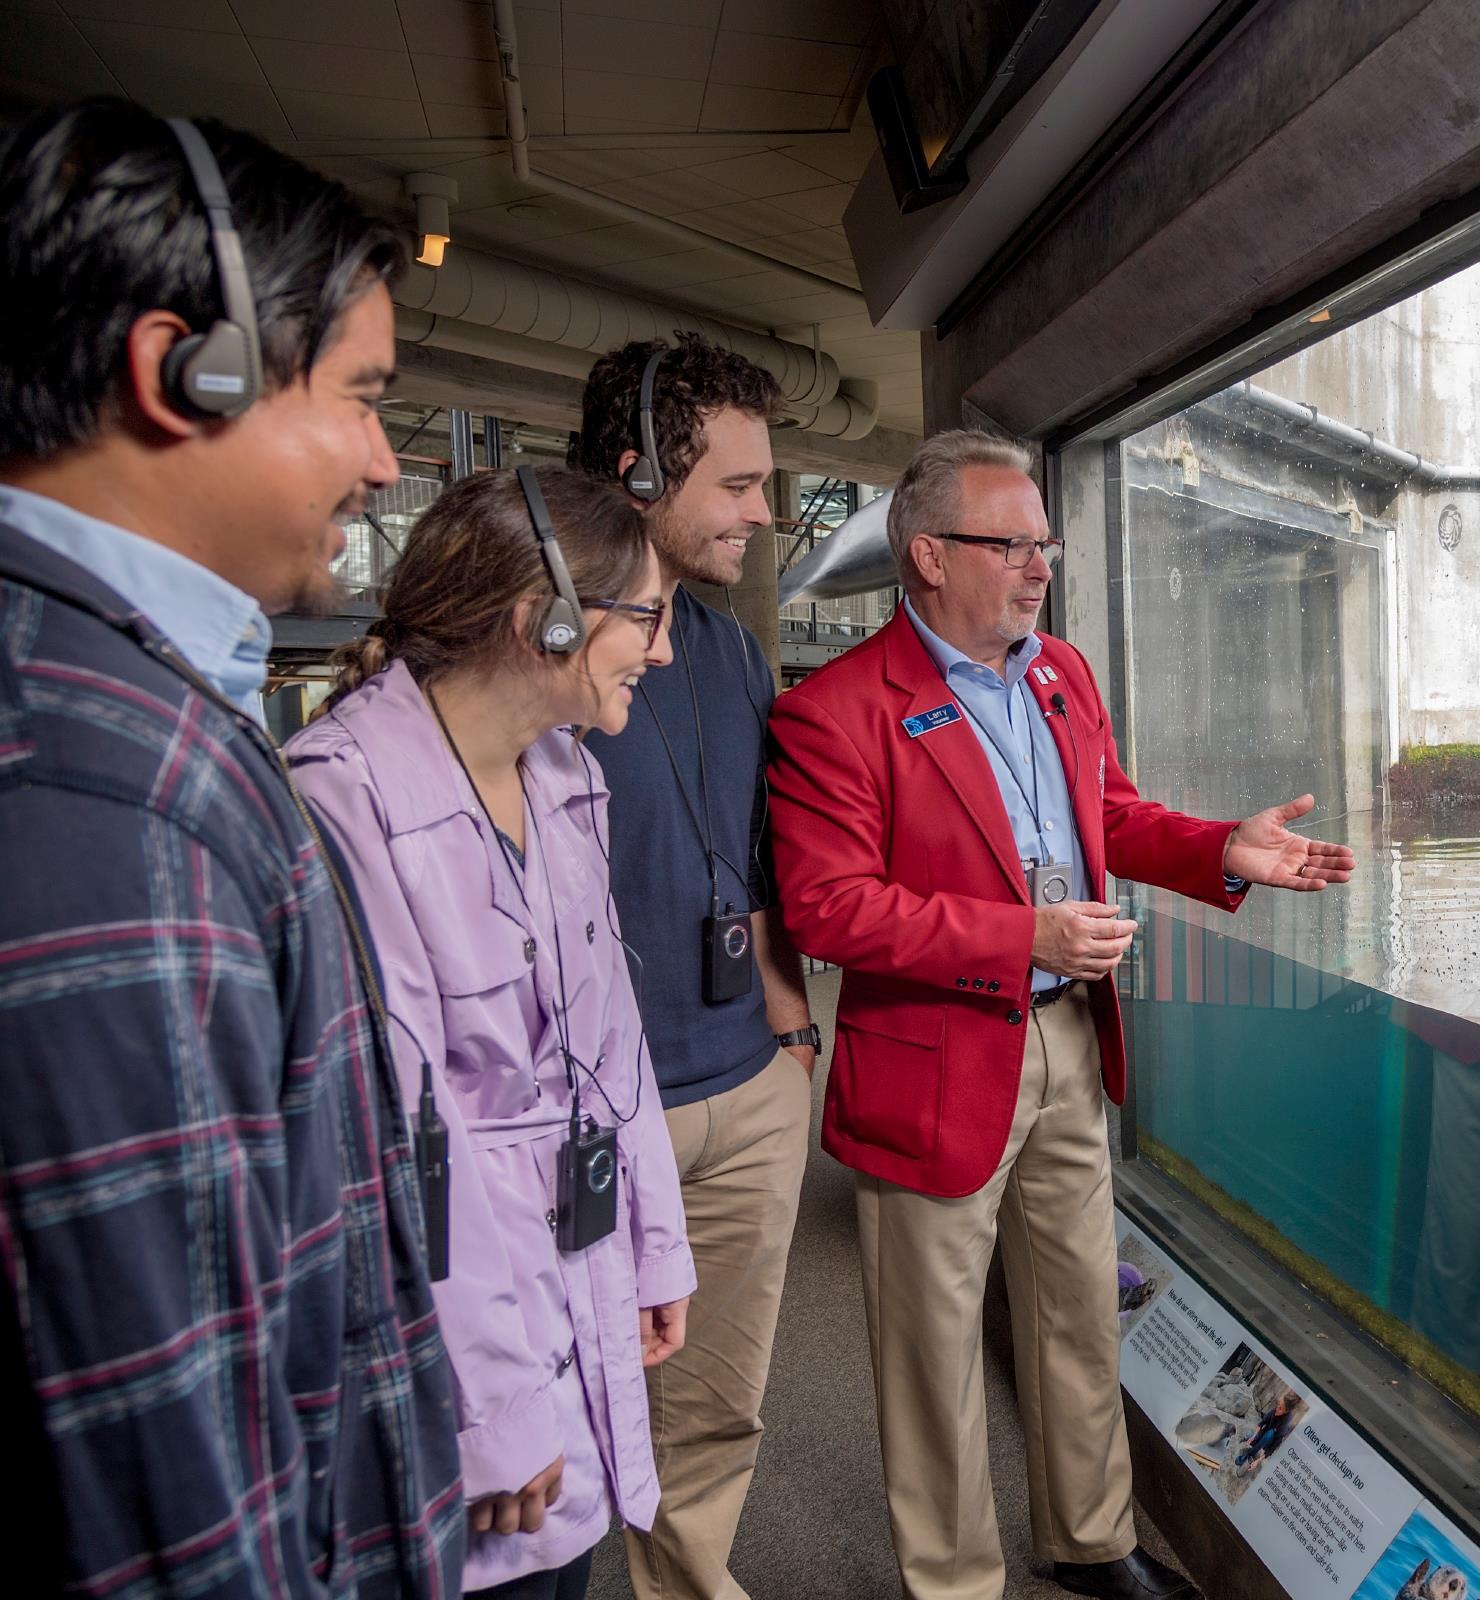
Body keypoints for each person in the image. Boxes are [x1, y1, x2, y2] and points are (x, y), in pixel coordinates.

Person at [0, 100, 463, 1598]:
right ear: (177, 372)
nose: (388, 464)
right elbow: (163, 1471)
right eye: (362, 395)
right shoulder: (97, 794)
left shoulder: (122, 707)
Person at [767, 430, 1358, 1600]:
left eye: (1047, 542)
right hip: (933, 1061)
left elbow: (1110, 816)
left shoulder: (1060, 673)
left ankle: (1092, 1542)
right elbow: (828, 911)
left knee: (1081, 1310)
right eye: (1012, 545)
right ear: (929, 555)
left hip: (1071, 1040)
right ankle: (954, 1582)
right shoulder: (834, 713)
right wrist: (1018, 939)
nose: (1040, 566)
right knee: (932, 1355)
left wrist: (1218, 848)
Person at [286, 465, 695, 1600]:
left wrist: (653, 1240)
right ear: (544, 620)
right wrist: (491, 1405)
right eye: (646, 617)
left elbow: (612, 1042)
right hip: (460, 1329)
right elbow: (398, 1144)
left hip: (575, 1264)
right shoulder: (345, 796)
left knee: (570, 1566)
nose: (661, 651)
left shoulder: (564, 770)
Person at [568, 333, 820, 1600]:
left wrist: (787, 1033)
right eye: (737, 485)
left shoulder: (725, 648)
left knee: (719, 1407)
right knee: (559, 1416)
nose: (763, 516)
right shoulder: (543, 653)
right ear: (636, 474)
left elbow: (760, 848)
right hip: (605, 1118)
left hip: (750, 1087)